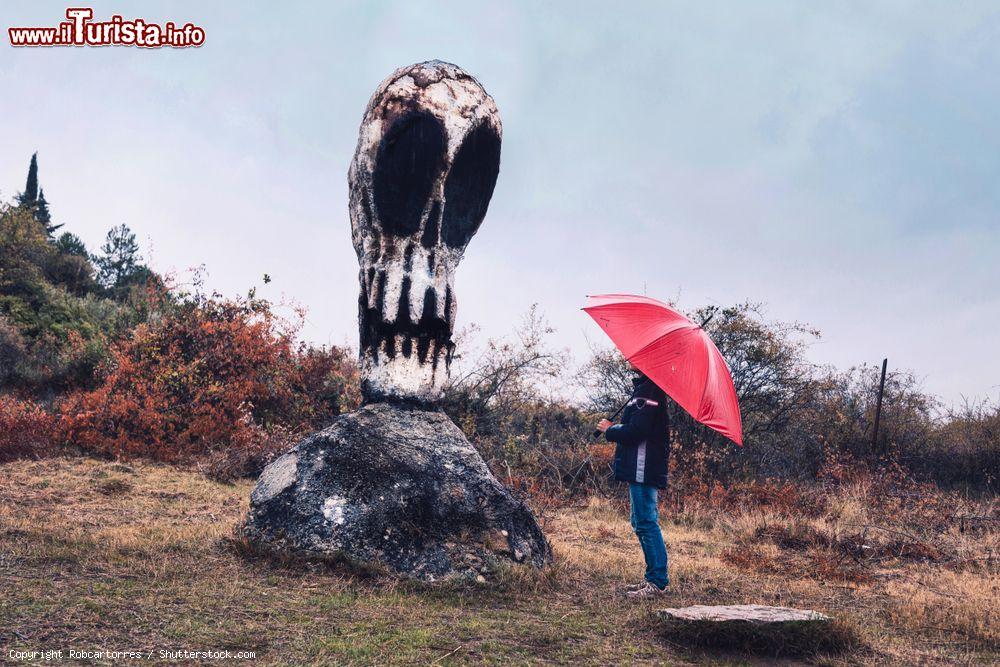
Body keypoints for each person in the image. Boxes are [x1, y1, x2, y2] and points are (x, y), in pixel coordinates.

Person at [596, 363, 670, 598]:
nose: (628, 359)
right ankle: (653, 579)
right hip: (640, 466)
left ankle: (657, 582)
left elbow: (637, 430)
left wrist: (610, 429)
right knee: (641, 522)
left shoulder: (650, 390)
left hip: (643, 467)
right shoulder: (644, 389)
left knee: (646, 522)